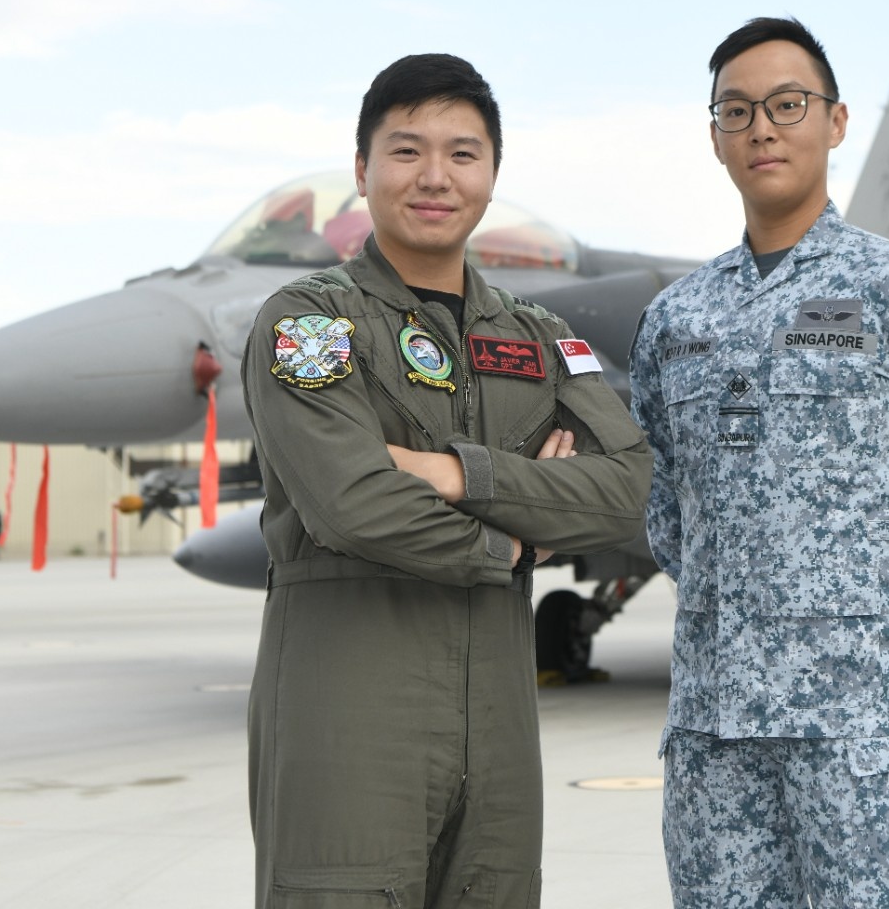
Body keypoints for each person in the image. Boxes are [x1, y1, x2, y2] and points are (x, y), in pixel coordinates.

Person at [629, 17, 889, 907]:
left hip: (866, 725)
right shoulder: (676, 317)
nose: (762, 129)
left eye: (787, 105)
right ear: (715, 137)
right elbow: (660, 493)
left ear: (836, 121)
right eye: (737, 111)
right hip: (715, 737)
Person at [242, 54, 652, 908]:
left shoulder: (541, 337)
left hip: (499, 735)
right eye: (407, 151)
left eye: (463, 154)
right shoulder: (310, 321)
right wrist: (519, 541)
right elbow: (352, 504)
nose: (435, 176)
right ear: (363, 170)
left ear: (492, 175)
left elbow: (633, 488)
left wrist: (457, 474)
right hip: (350, 720)